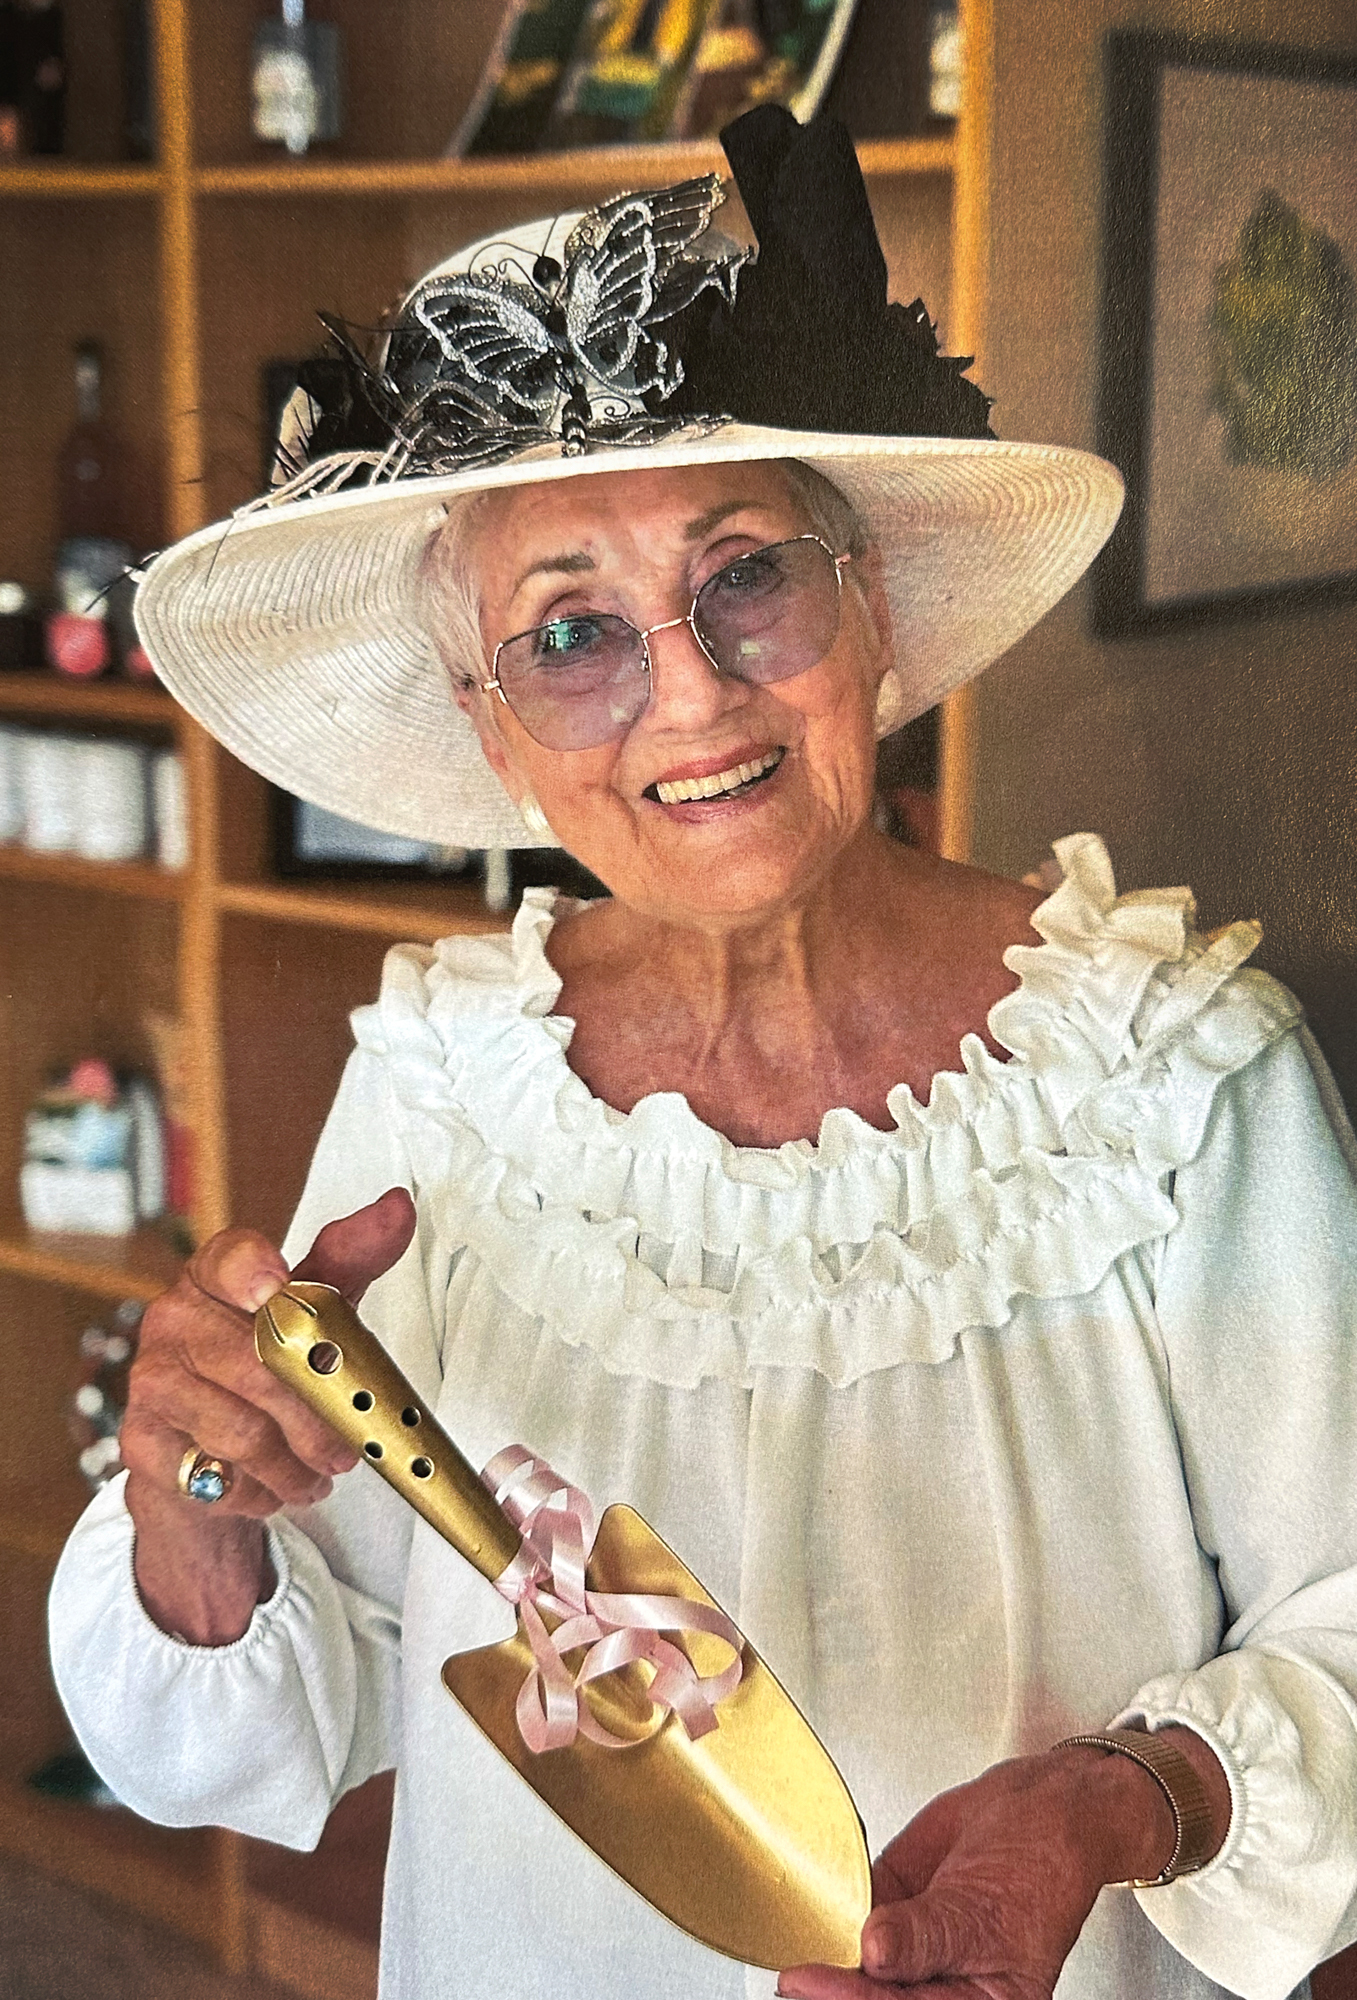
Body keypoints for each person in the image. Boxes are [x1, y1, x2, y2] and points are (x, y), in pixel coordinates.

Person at [49, 109, 1357, 2000]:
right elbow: (268, 1710)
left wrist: (1111, 1802)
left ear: (873, 606)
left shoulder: (1166, 1074)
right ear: (488, 730)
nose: (689, 691)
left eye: (746, 574)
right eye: (568, 633)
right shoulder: (444, 1089)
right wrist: (195, 1500)